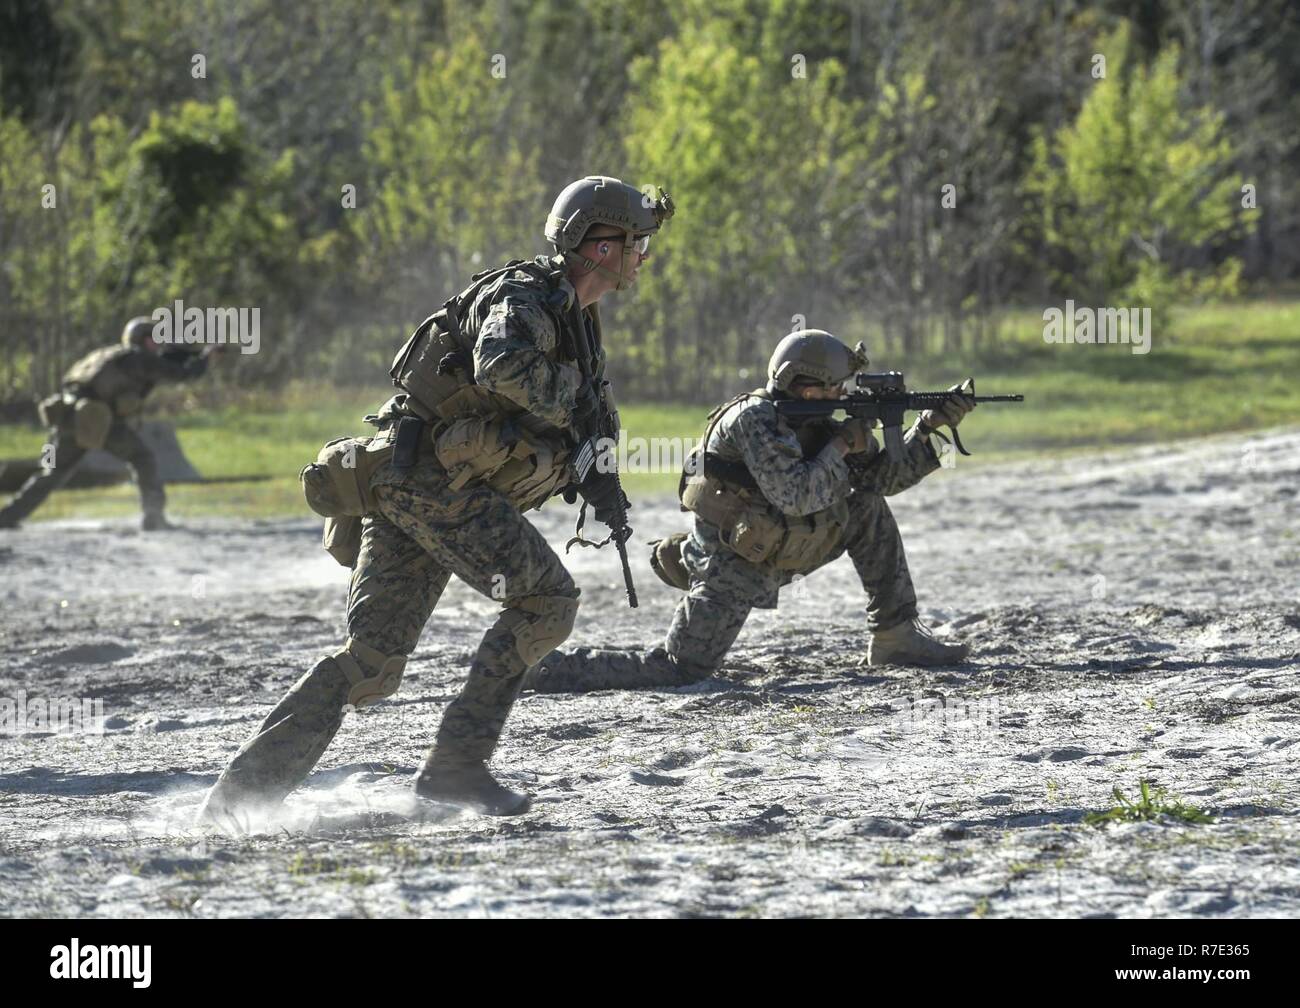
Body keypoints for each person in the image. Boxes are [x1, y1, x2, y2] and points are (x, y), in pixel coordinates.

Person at [198, 175, 673, 823]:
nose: (643, 254)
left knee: (372, 663)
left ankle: (236, 802)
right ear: (597, 244)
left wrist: (593, 468)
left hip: (420, 483)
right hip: (435, 483)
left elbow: (567, 412)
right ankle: (455, 768)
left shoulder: (576, 315)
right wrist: (576, 400)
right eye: (635, 241)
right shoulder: (528, 296)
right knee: (547, 604)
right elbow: (501, 366)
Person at [526, 329, 977, 695]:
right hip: (735, 562)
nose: (842, 394)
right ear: (803, 384)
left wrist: (929, 428)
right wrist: (842, 444)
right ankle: (551, 671)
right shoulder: (754, 420)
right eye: (833, 387)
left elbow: (881, 483)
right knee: (681, 669)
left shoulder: (816, 420)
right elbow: (795, 495)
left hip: (781, 545)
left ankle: (895, 634)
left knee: (865, 506)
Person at [0, 318, 210, 531]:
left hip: (65, 420)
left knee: (50, 470)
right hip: (98, 420)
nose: (159, 344)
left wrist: (191, 355)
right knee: (142, 458)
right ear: (145, 340)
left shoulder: (106, 355)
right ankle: (154, 516)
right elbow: (183, 374)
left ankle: (7, 516)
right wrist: (206, 359)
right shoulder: (139, 358)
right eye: (155, 339)